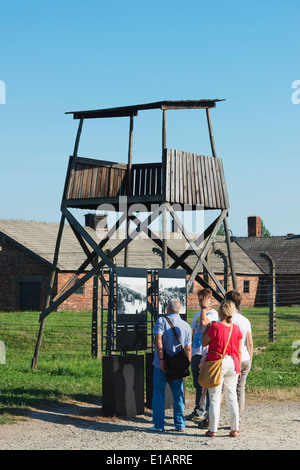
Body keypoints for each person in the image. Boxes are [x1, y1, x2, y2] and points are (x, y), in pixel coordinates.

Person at [201, 300, 242, 437]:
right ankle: (234, 429)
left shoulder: (216, 327)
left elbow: (204, 342)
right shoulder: (236, 328)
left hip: (218, 362)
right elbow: (239, 350)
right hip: (233, 362)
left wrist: (207, 328)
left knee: (214, 397)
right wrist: (238, 367)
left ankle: (213, 429)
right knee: (232, 397)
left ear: (221, 312)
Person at [151, 299, 192, 432]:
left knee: (158, 394)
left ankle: (158, 425)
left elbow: (158, 340)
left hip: (161, 364)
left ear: (168, 308)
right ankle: (179, 424)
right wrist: (186, 367)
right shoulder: (185, 325)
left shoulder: (161, 321)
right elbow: (188, 349)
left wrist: (162, 360)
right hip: (178, 366)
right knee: (179, 395)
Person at [187, 288, 218, 424]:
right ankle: (198, 410)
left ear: (209, 300)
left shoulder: (213, 313)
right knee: (197, 384)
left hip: (206, 353)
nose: (201, 302)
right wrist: (190, 350)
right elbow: (194, 332)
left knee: (207, 384)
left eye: (203, 300)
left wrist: (205, 307)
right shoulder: (196, 314)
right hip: (196, 352)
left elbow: (204, 322)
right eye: (199, 300)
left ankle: (208, 412)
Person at [225, 290, 253, 417]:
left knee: (224, 389)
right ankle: (238, 418)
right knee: (240, 390)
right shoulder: (245, 320)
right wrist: (250, 361)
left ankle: (211, 417)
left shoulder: (227, 320)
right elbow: (250, 343)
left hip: (232, 358)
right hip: (245, 358)